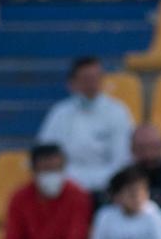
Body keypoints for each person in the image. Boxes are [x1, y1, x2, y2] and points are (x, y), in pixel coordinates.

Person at [36, 57, 134, 194]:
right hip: (66, 189)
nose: (91, 84)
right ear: (72, 83)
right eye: (86, 79)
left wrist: (99, 183)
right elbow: (46, 155)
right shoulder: (59, 114)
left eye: (96, 78)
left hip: (108, 189)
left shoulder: (118, 112)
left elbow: (122, 160)